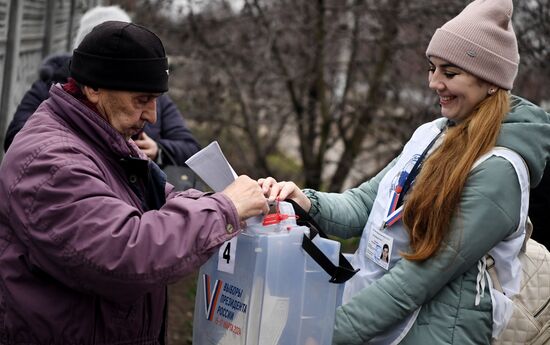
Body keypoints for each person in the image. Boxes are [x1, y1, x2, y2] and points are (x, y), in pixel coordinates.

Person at [259, 0, 550, 344]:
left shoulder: (499, 170)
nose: (434, 83)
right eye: (432, 68)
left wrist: (324, 333)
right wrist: (304, 202)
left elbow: (415, 281)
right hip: (381, 319)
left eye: (450, 73)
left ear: (490, 81)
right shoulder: (432, 133)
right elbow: (365, 205)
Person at [0, 21, 268, 343]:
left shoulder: (100, 137)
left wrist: (225, 199)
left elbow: (162, 196)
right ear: (93, 87)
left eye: (156, 99)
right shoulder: (51, 162)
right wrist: (224, 209)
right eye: (141, 99)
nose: (152, 116)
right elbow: (126, 252)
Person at [3, 5, 201, 171]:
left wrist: (157, 151)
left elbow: (192, 150)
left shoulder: (153, 96)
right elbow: (19, 140)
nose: (151, 115)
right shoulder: (48, 91)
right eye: (141, 100)